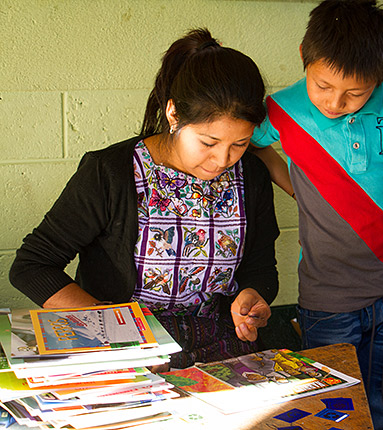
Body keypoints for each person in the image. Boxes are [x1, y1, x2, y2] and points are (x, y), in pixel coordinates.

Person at [9, 28, 280, 370]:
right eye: (208, 143)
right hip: (129, 347)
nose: (223, 160)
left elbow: (260, 267)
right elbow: (31, 266)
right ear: (174, 115)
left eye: (239, 144)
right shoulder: (112, 172)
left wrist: (253, 296)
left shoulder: (251, 176)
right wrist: (110, 323)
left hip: (220, 341)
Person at [250, 1, 383, 428]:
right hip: (328, 296)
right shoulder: (281, 109)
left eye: (355, 93)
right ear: (305, 55)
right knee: (330, 408)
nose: (336, 102)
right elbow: (252, 143)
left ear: (378, 79)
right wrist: (298, 185)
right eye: (322, 85)